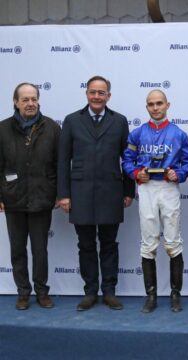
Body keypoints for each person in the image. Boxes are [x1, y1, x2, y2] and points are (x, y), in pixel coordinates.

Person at [57, 75, 135, 311]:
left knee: (109, 244)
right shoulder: (71, 121)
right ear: (86, 94)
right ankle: (90, 291)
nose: (97, 96)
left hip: (111, 191)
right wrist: (64, 194)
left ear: (108, 96)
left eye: (101, 93)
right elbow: (63, 160)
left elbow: (127, 159)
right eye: (93, 92)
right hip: (79, 192)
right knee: (86, 244)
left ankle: (109, 291)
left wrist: (129, 189)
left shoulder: (119, 121)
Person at [122, 90, 188, 313]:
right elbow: (127, 160)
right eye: (151, 104)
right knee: (148, 242)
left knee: (172, 242)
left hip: (168, 187)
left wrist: (179, 174)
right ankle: (151, 295)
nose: (155, 108)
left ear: (167, 105)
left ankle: (175, 295)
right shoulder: (137, 134)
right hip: (146, 188)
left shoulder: (179, 134)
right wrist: (135, 174)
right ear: (146, 107)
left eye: (159, 103)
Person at [0, 83, 60, 310]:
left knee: (39, 249)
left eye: (33, 98)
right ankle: (23, 292)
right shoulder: (2, 129)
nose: (30, 103)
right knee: (17, 249)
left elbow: (60, 165)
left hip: (41, 199)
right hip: (13, 199)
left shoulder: (52, 128)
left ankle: (42, 292)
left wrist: (58, 193)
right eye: (25, 99)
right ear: (15, 102)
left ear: (39, 101)